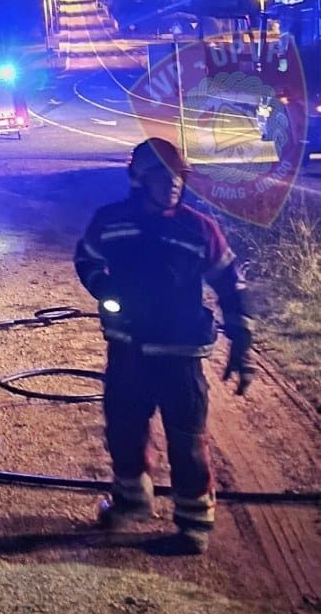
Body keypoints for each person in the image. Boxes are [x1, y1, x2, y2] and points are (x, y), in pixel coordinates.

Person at [74, 136, 255, 554]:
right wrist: (105, 289)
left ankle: (194, 523)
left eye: (178, 176)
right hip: (129, 350)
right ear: (139, 180)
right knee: (123, 429)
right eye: (161, 175)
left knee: (187, 439)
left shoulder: (199, 229)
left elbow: (231, 286)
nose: (173, 183)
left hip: (180, 356)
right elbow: (86, 258)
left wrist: (242, 346)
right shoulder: (110, 221)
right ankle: (132, 502)